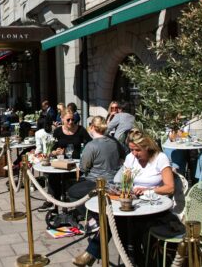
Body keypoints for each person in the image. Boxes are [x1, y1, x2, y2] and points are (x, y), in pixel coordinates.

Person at [75, 128, 176, 266]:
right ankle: (133, 260)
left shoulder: (160, 158)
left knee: (118, 222)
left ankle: (94, 253)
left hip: (155, 206)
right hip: (134, 202)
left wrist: (149, 190)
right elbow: (126, 182)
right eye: (132, 149)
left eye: (138, 150)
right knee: (115, 218)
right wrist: (120, 190)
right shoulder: (130, 158)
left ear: (147, 147)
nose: (134, 154)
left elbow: (170, 187)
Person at [68, 117, 125, 218]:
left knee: (72, 192)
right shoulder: (114, 141)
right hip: (114, 179)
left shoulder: (91, 145)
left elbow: (83, 167)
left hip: (96, 182)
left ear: (92, 127)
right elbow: (122, 157)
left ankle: (92, 218)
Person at [47, 109, 92, 202]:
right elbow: (52, 148)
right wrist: (55, 152)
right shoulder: (58, 131)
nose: (71, 122)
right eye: (68, 120)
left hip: (76, 164)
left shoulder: (80, 130)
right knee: (52, 176)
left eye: (73, 119)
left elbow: (91, 144)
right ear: (62, 119)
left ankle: (69, 200)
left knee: (72, 178)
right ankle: (53, 201)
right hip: (62, 162)